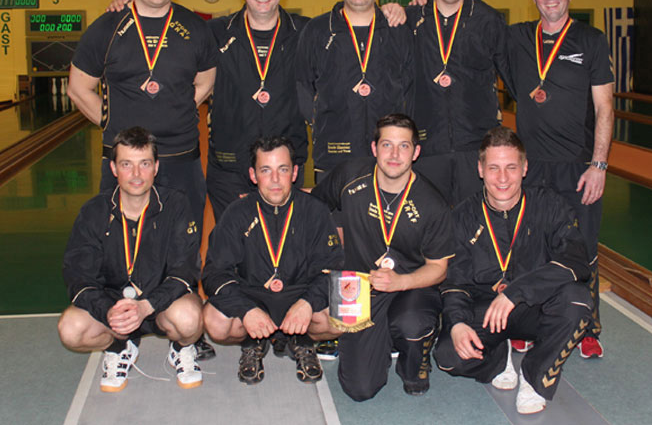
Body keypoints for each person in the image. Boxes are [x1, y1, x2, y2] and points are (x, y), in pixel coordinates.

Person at [434, 126, 593, 415]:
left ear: (525, 168)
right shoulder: (462, 216)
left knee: (578, 301)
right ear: (480, 169)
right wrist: (456, 323)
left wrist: (517, 292)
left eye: (511, 167)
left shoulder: (550, 205)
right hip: (486, 310)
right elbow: (454, 280)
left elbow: (576, 261)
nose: (503, 178)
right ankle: (498, 358)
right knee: (448, 358)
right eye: (494, 168)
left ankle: (534, 375)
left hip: (536, 307)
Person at [67, 0, 218, 233]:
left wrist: (178, 110)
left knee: (183, 242)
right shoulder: (106, 27)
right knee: (122, 242)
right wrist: (116, 127)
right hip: (125, 162)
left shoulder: (195, 27)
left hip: (180, 159)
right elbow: (78, 88)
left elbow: (206, 80)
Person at [507, 0, 614, 358]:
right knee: (529, 247)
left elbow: (605, 108)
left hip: (578, 165)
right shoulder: (518, 37)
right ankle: (528, 323)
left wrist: (598, 165)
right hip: (531, 166)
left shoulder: (592, 40)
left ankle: (587, 328)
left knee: (581, 248)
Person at [312, 113, 454, 400]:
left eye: (404, 146)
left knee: (413, 322)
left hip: (411, 288)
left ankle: (414, 353)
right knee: (359, 389)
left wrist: (400, 282)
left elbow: (439, 268)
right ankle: (380, 337)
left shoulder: (432, 203)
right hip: (358, 287)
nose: (394, 154)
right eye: (387, 145)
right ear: (374, 148)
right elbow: (313, 206)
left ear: (416, 152)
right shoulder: (349, 176)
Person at [58, 127, 204, 392]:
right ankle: (118, 347)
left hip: (161, 305)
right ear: (114, 168)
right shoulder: (94, 212)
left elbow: (186, 271)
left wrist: (147, 306)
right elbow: (78, 276)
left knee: (190, 318)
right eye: (127, 164)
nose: (136, 174)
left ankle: (181, 348)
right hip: (114, 309)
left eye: (144, 164)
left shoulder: (176, 205)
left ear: (156, 167)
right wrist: (107, 310)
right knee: (71, 329)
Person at [202, 136, 343, 384]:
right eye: (266, 170)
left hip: (301, 294)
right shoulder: (236, 213)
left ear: (295, 173)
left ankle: (301, 340)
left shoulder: (315, 211)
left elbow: (335, 267)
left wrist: (308, 303)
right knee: (215, 323)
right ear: (253, 175)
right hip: (253, 295)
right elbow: (214, 273)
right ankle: (253, 341)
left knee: (348, 313)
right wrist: (246, 310)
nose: (275, 179)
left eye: (283, 169)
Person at [296, 0, 414, 182]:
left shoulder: (398, 31)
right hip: (333, 156)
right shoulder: (317, 30)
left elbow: (411, 90)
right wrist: (323, 124)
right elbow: (302, 86)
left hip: (389, 158)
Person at [406, 0, 511, 207]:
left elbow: (515, 81)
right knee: (429, 226)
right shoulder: (410, 19)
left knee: (475, 224)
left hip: (475, 148)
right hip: (426, 148)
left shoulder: (490, 21)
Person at [205, 0, 309, 221]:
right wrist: (127, 6)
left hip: (285, 165)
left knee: (281, 238)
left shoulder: (306, 33)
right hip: (230, 166)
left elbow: (351, 21)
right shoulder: (215, 33)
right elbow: (168, 25)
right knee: (234, 238)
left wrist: (396, 11)